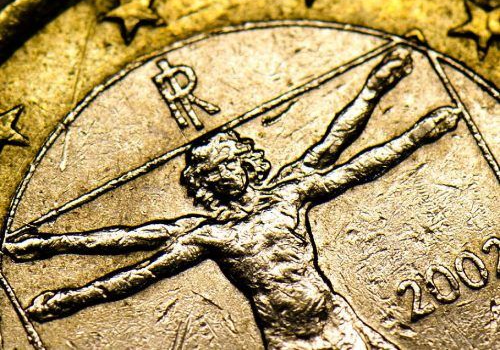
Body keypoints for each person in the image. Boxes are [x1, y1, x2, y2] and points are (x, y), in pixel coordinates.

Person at [6, 46, 460, 349]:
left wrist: (402, 113)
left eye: (229, 162)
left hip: (337, 320)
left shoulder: (289, 193)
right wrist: (60, 280)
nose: (224, 173)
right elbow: (130, 256)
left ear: (246, 162)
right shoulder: (208, 235)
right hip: (291, 342)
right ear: (204, 183)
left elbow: (346, 150)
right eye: (212, 171)